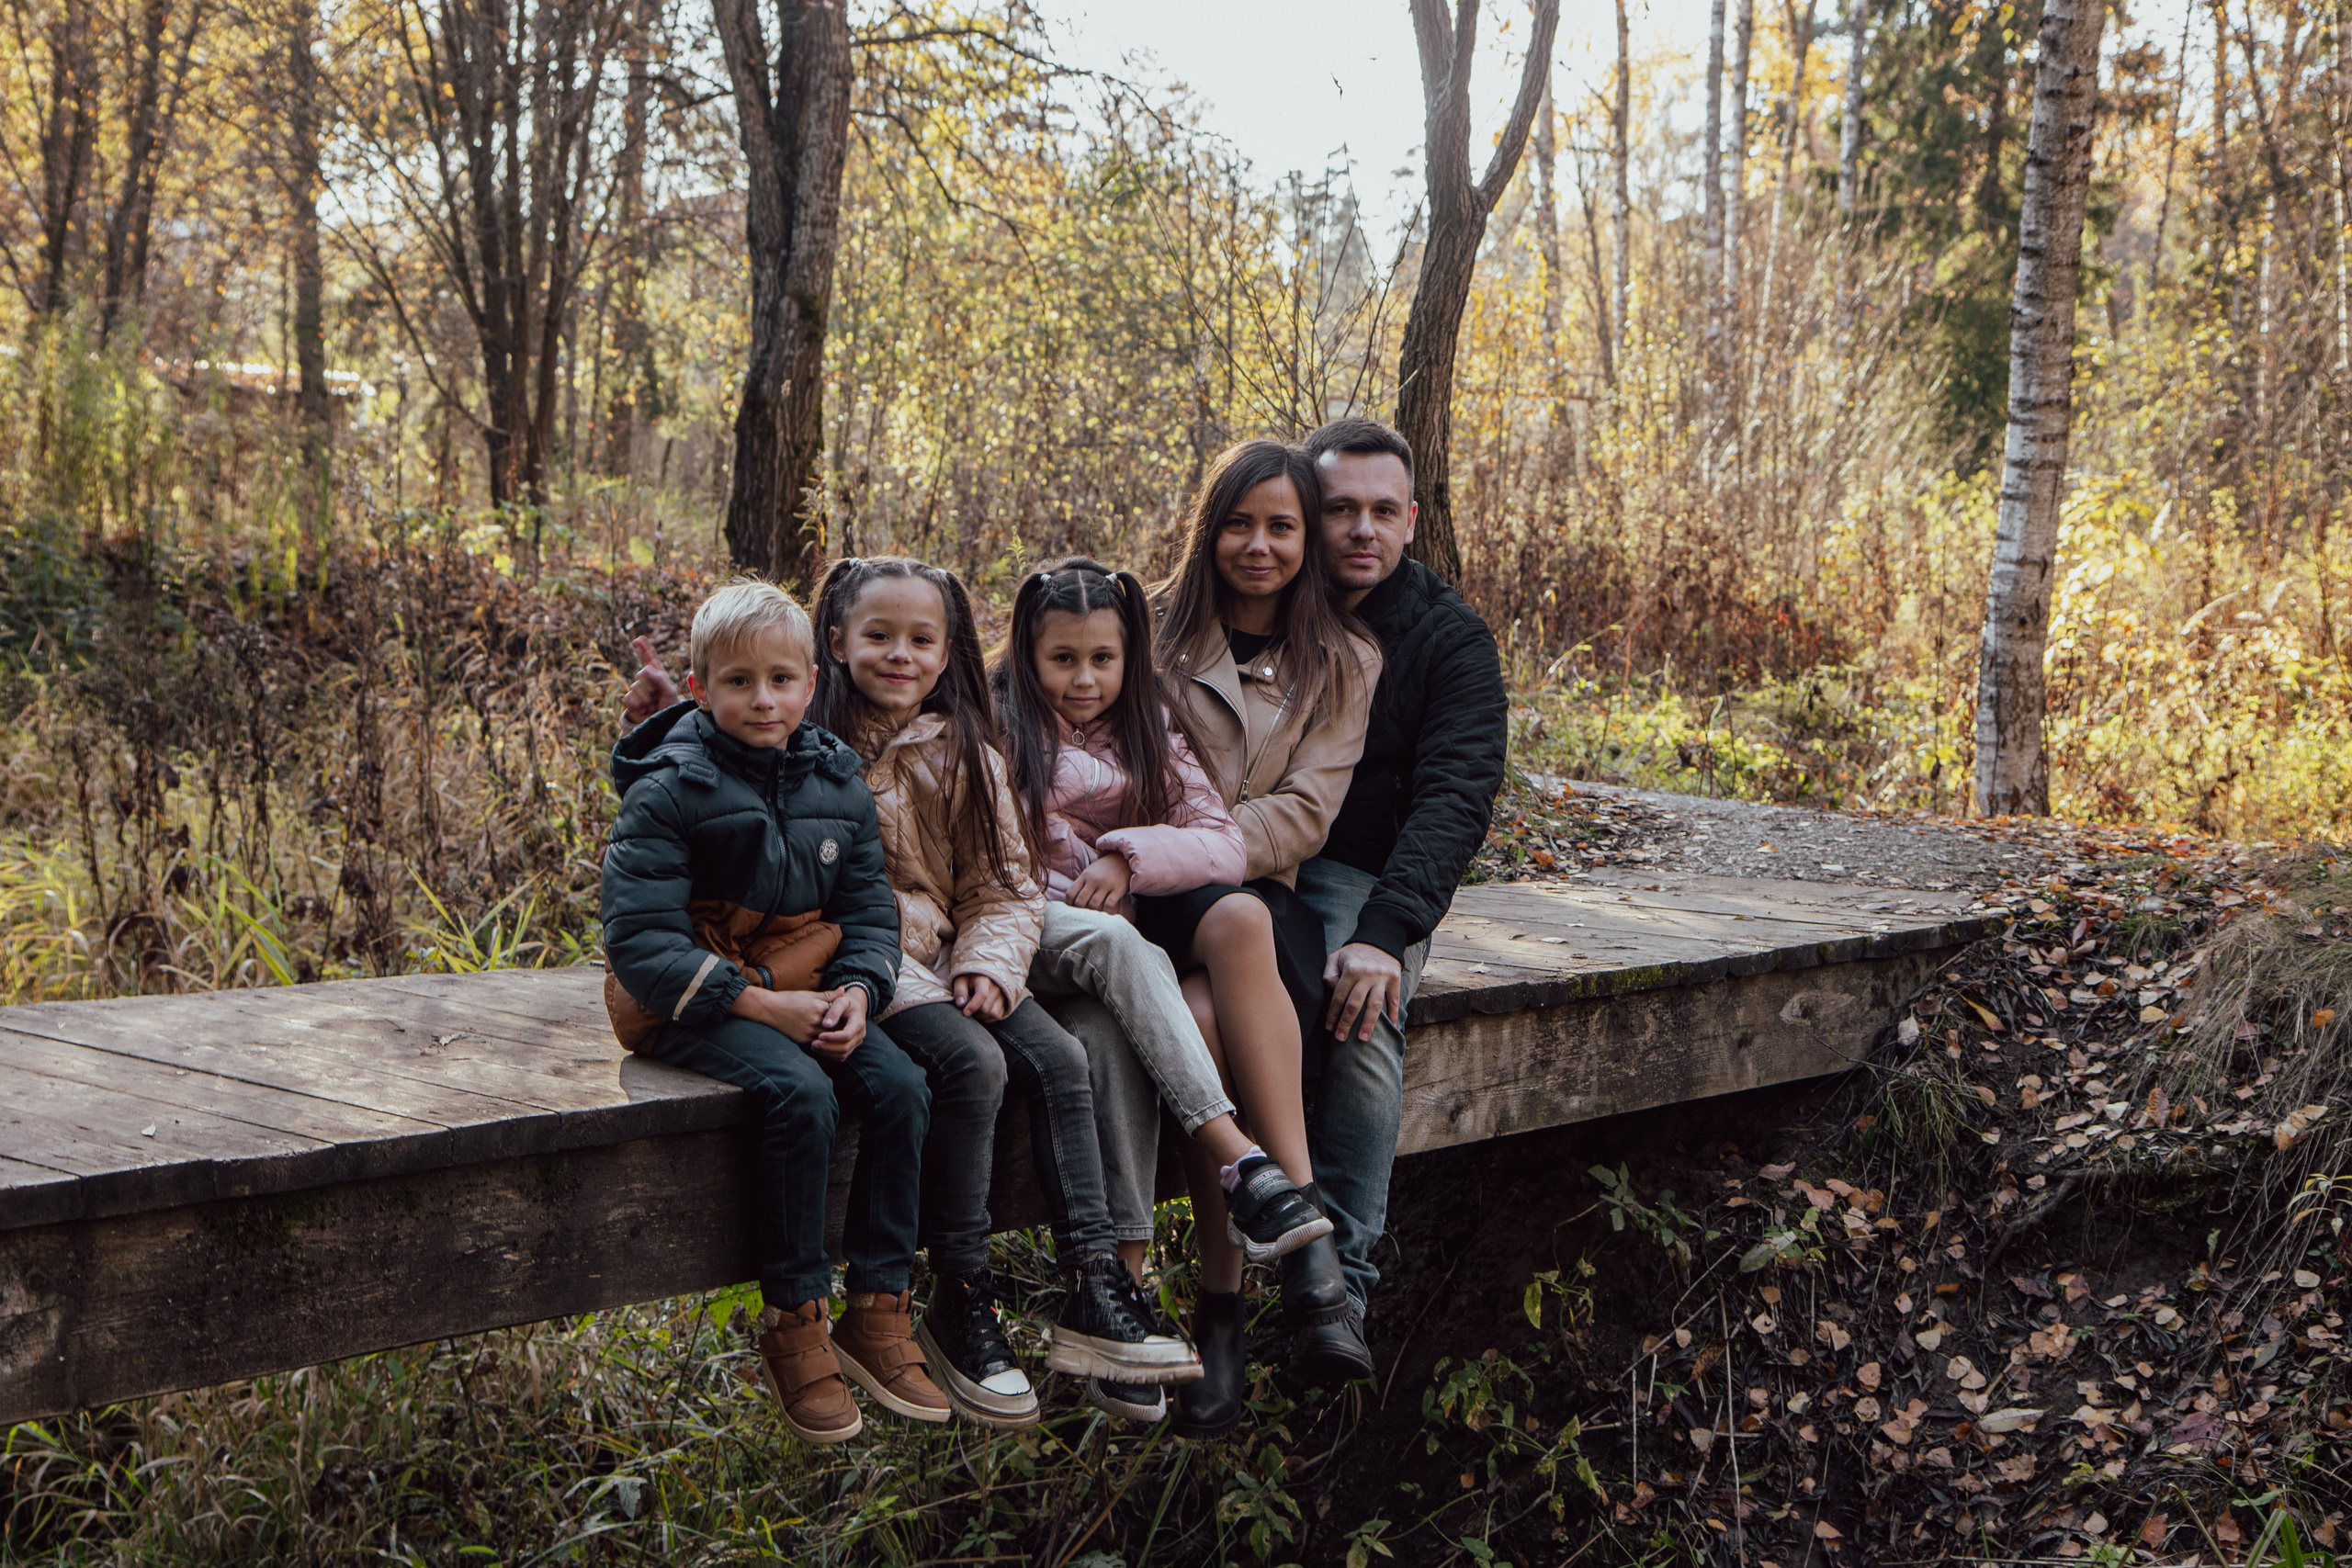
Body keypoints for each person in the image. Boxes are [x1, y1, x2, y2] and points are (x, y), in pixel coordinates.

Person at [805, 556, 1198, 1427]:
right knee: (975, 1064)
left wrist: (990, 961)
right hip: (863, 964)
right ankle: (961, 1290)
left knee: (1061, 1056)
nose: (900, 655)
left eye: (921, 639)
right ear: (835, 641)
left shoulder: (965, 750)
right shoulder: (804, 745)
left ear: (949, 654)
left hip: (952, 959)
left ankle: (1096, 1284)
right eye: (878, 636)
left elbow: (1006, 887)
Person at [992, 557, 1334, 1424]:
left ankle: (1250, 1261)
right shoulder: (1001, 731)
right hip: (1044, 943)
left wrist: (1127, 854)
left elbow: (1222, 841)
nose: (1083, 680)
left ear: (1130, 654)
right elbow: (990, 868)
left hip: (1134, 948)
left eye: (1102, 659)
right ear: (1026, 655)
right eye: (1061, 659)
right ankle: (1243, 1201)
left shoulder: (1150, 725)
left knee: (1210, 992)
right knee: (1130, 995)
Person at [600, 578, 940, 1446]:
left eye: (782, 679)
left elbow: (869, 913)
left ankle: (880, 1309)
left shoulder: (834, 777)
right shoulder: (670, 787)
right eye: (739, 681)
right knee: (802, 1095)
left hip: (800, 981)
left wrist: (861, 993)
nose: (764, 699)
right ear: (702, 684)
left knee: (901, 1084)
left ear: (810, 681)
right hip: (682, 1000)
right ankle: (796, 1322)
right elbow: (639, 942)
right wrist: (761, 1005)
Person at [1133, 439, 1383, 1438]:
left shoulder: (1343, 659)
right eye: (1239, 523)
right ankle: (1307, 1260)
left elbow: (1306, 813)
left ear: (1307, 540)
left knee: (1201, 1013)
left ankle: (1220, 1312)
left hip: (1255, 888)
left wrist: (1201, 846)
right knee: (1194, 995)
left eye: (1282, 526)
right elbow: (1004, 689)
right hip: (1139, 886)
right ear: (1210, 530)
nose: (1259, 545)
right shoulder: (1142, 624)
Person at [1289, 417, 1510, 1384]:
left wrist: (1386, 935)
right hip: (1235, 863)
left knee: (1359, 1009)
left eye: (1382, 511)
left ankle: (1340, 1285)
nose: (1360, 530)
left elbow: (1455, 795)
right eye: (1340, 509)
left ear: (1412, 519)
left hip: (1360, 879)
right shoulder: (1262, 599)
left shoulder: (1448, 638)